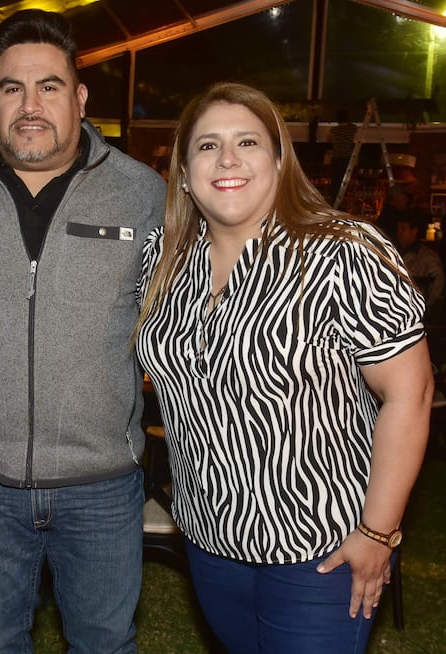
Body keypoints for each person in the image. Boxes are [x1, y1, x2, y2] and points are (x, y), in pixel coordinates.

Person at [135, 82, 432, 653]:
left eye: (247, 141)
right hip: (208, 540)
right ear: (184, 170)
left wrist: (377, 532)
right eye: (207, 145)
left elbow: (410, 394)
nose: (227, 159)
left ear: (278, 159)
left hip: (322, 549)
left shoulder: (342, 251)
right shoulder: (163, 259)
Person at [0, 9, 165, 653]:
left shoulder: (142, 193)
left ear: (80, 97)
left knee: (104, 646)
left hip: (102, 486)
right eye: (13, 88)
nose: (30, 105)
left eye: (49, 86)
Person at [396, 214, 445, 320]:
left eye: (403, 229)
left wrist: (426, 306)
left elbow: (438, 280)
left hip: (414, 312)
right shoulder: (394, 251)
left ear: (414, 231)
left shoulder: (427, 257)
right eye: (398, 229)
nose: (399, 233)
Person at [328, 108, 357, 206]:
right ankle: (342, 202)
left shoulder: (334, 130)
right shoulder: (351, 128)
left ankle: (334, 202)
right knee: (345, 181)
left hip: (336, 158)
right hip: (347, 158)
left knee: (336, 182)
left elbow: (330, 140)